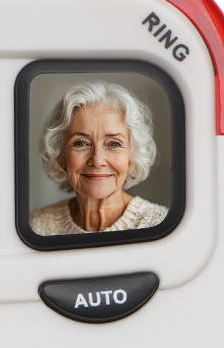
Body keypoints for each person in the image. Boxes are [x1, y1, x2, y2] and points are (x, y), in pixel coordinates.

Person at [29, 81, 168, 235]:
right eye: (81, 143)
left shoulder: (162, 226)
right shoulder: (37, 226)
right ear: (60, 157)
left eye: (114, 144)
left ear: (132, 157)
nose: (97, 160)